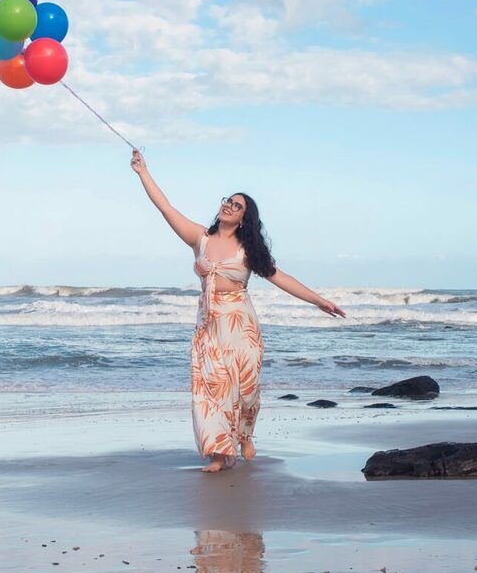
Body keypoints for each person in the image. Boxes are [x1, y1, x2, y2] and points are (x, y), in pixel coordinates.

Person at [131, 149, 345, 472]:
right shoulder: (200, 238)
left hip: (241, 325)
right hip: (209, 325)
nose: (228, 206)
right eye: (228, 201)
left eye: (236, 205)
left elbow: (282, 278)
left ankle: (244, 435)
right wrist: (143, 172)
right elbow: (166, 208)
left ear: (244, 218)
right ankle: (219, 453)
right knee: (210, 388)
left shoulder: (248, 251)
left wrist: (318, 301)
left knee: (245, 389)